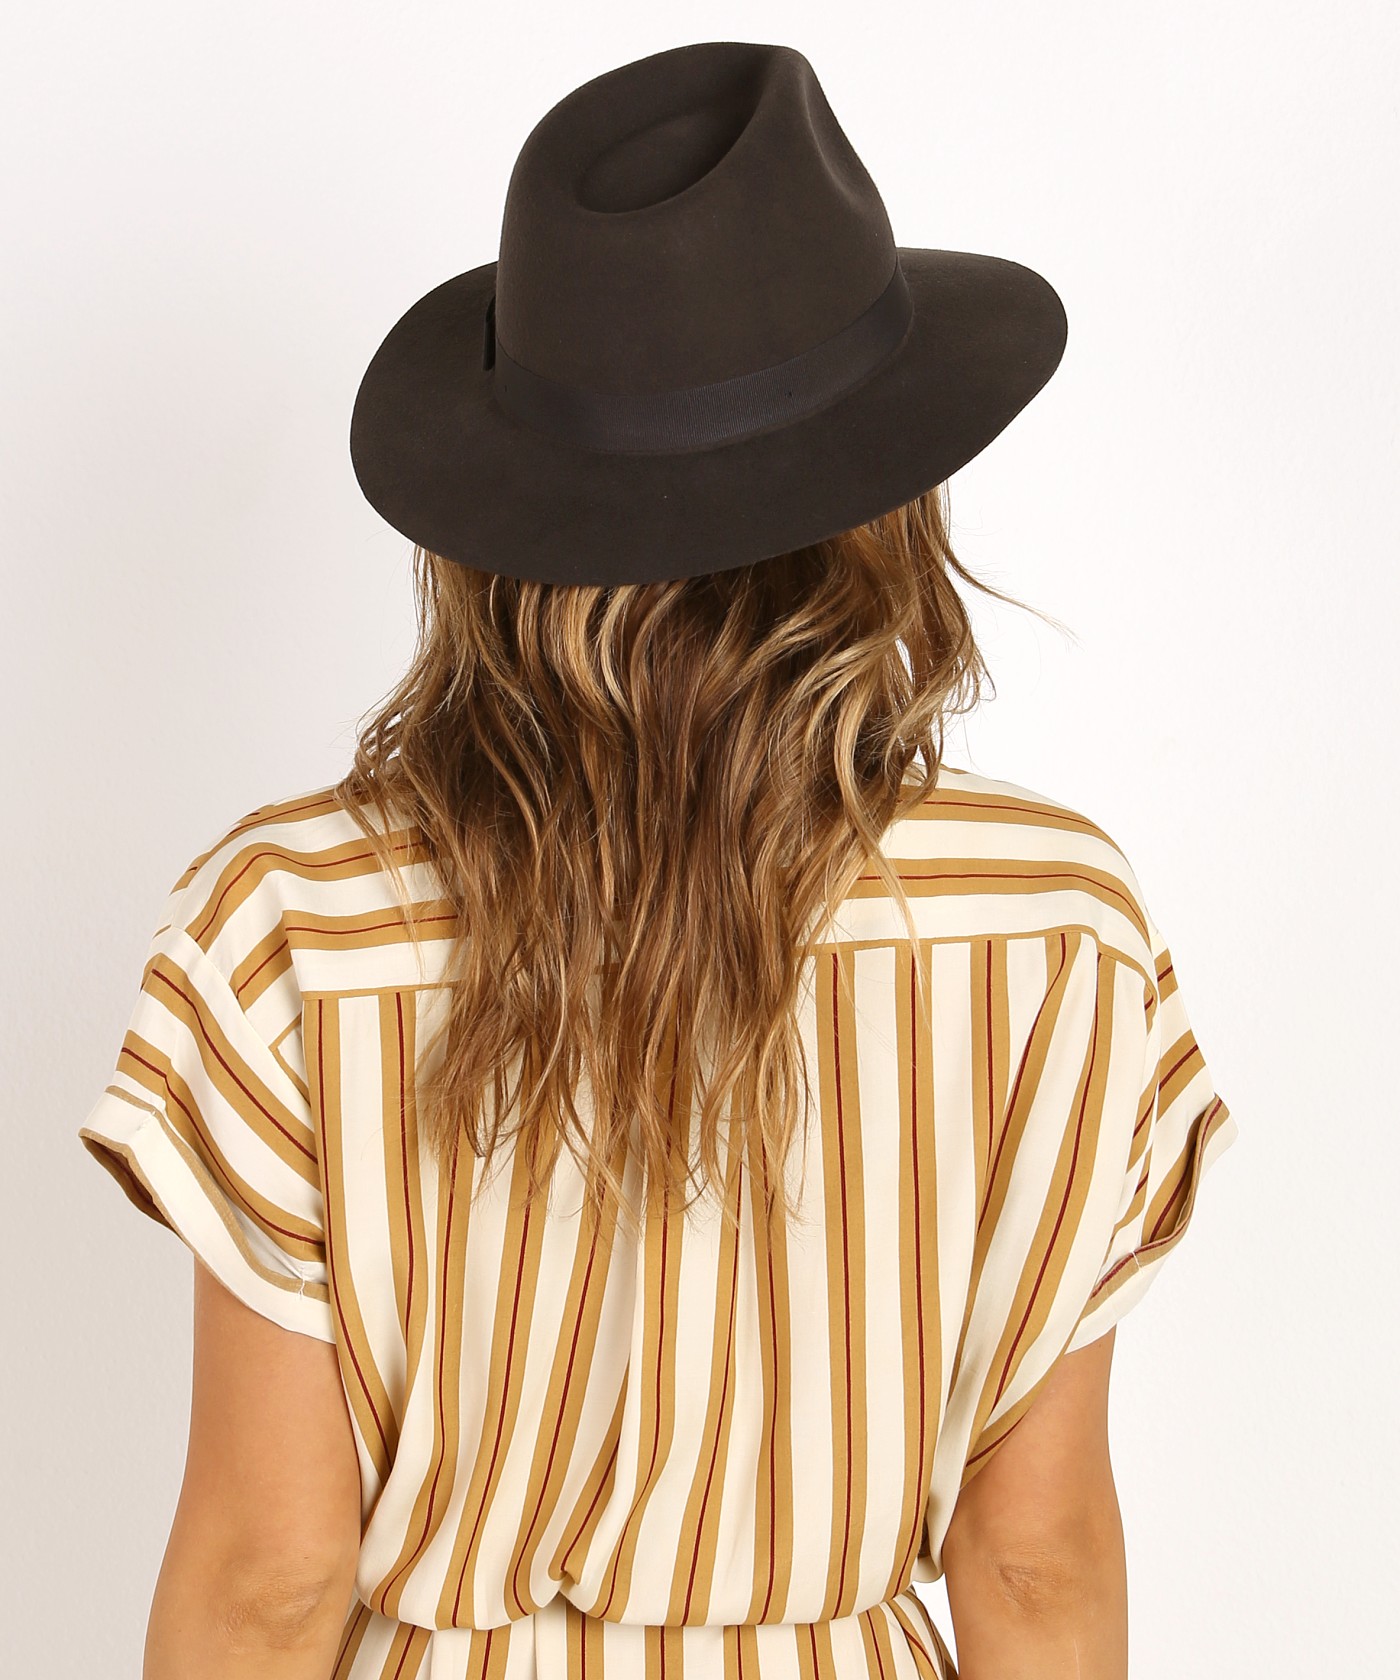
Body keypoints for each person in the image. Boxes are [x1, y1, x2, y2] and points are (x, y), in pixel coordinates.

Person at [76, 39, 1237, 1680]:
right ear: (887, 505)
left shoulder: (291, 928)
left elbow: (272, 1576)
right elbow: (1033, 1561)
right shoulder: (1057, 928)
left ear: (503, 526)